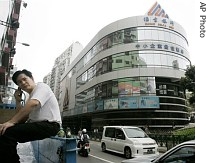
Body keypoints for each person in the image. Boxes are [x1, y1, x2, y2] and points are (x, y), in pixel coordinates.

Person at [0, 69, 62, 163]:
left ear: (32, 78)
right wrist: (17, 100)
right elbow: (22, 119)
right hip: (39, 126)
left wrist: (10, 122)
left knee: (7, 133)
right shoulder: (30, 97)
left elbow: (33, 103)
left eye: (25, 79)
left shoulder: (41, 87)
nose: (23, 83)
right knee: (3, 132)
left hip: (50, 125)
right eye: (19, 82)